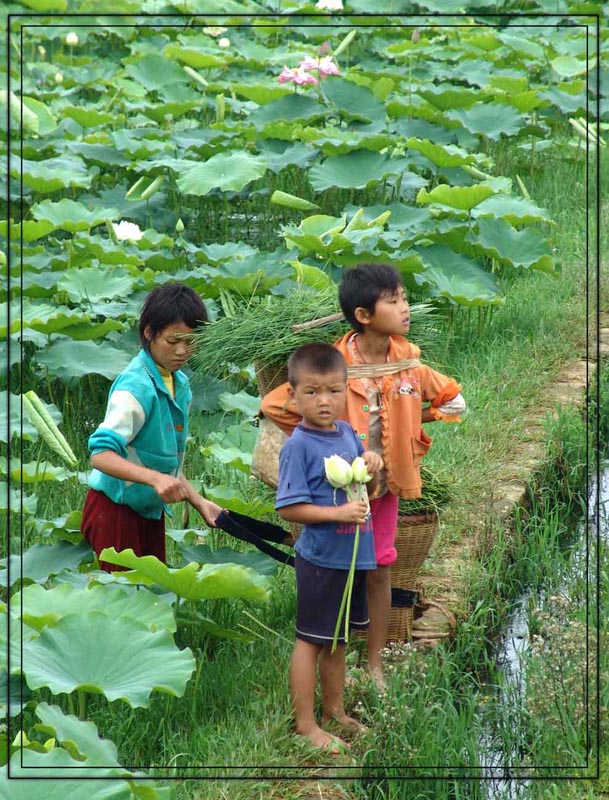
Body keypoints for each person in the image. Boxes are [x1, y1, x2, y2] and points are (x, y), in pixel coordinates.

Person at [261, 263, 465, 687]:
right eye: (394, 301)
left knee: (379, 569)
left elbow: (454, 401)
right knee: (339, 571)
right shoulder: (334, 366)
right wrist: (317, 442)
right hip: (336, 496)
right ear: (364, 315)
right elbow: (276, 405)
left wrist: (413, 419)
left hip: (384, 489)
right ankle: (333, 657)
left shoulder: (408, 362)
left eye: (405, 298)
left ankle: (373, 664)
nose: (406, 307)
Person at [275, 342, 383, 752]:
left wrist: (372, 465)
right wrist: (336, 515)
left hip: (352, 556)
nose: (325, 401)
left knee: (337, 641)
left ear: (346, 389)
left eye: (334, 391)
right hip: (321, 558)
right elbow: (289, 508)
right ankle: (305, 724)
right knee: (312, 640)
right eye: (312, 392)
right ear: (293, 394)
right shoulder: (298, 446)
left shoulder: (346, 435)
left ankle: (334, 712)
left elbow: (364, 490)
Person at [81, 283, 223, 571]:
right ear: (149, 333)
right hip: (115, 510)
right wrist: (155, 480)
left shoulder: (177, 382)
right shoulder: (135, 387)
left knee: (151, 598)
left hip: (148, 510)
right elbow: (100, 455)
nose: (183, 351)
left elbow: (162, 461)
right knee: (121, 604)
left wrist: (199, 502)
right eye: (173, 342)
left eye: (190, 341)